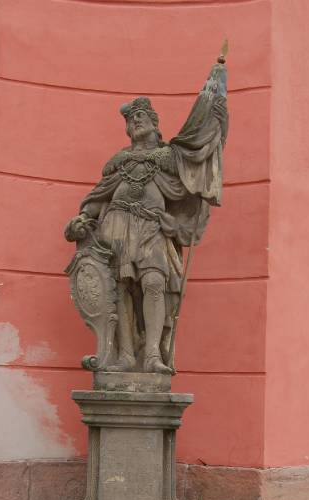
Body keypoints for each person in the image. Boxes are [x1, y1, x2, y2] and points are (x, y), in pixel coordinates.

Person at [65, 62, 228, 374]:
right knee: (120, 289)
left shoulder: (169, 158)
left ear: (154, 123)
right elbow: (99, 197)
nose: (136, 122)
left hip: (152, 227)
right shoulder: (119, 161)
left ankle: (152, 355)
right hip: (116, 227)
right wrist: (83, 217)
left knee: (154, 282)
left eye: (141, 117)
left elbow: (193, 172)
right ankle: (126, 356)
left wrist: (215, 124)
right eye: (131, 120)